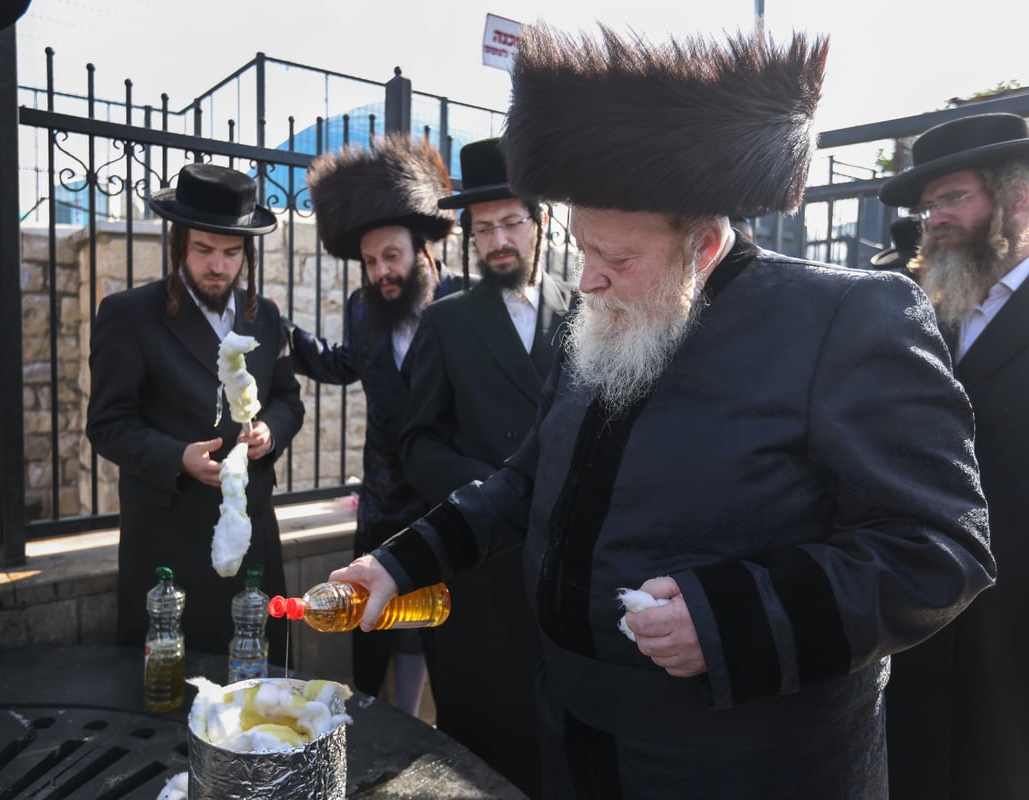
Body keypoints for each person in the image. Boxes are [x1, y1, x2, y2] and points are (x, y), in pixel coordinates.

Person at [329, 25, 995, 799]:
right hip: (575, 742)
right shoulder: (609, 322)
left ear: (705, 246)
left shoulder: (848, 320)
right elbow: (527, 478)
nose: (591, 284)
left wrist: (730, 617)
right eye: (583, 252)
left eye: (617, 260)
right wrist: (400, 561)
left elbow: (940, 549)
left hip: (746, 766)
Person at [396, 136, 574, 798]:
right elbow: (416, 447)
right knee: (478, 743)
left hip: (562, 572)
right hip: (480, 573)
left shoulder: (587, 312)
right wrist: (495, 491)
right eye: (484, 227)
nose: (498, 239)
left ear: (542, 220)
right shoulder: (446, 322)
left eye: (511, 222)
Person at [87, 163, 304, 657]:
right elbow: (107, 425)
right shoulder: (128, 315)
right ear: (179, 245)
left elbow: (289, 399)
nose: (217, 266)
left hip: (252, 539)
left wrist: (270, 430)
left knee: (259, 694)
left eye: (231, 253)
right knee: (172, 697)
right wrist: (176, 457)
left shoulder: (265, 316)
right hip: (170, 542)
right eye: (204, 250)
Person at [879, 112, 1029, 800]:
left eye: (954, 198)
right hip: (929, 605)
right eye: (928, 204)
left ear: (1016, 197)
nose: (934, 218)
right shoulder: (926, 311)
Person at [286, 134, 463, 715]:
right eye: (370, 262)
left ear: (420, 252)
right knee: (372, 616)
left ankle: (421, 724)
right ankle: (375, 719)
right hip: (383, 494)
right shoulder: (365, 308)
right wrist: (284, 339)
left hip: (441, 498)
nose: (381, 271)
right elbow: (345, 362)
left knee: (428, 626)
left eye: (391, 257)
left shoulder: (460, 307)